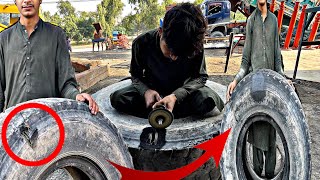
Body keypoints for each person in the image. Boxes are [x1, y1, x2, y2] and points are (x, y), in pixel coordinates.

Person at [110, 3, 224, 119]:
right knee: (118, 98)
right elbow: (135, 75)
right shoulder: (141, 43)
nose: (174, 58)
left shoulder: (193, 44)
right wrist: (145, 91)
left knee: (207, 100)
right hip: (153, 89)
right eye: (169, 49)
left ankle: (167, 109)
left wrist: (176, 96)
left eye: (180, 54)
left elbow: (200, 77)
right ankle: (160, 109)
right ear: (160, 32)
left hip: (184, 90)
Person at [0, 0, 98, 114]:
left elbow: (66, 83)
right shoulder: (4, 39)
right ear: (15, 1)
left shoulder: (56, 35)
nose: (26, 1)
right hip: (14, 122)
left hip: (49, 120)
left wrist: (76, 95)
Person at [226, 0, 285, 178]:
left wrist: (283, 79)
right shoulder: (251, 21)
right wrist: (236, 80)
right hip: (256, 82)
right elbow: (246, 59)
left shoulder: (274, 20)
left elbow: (277, 54)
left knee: (271, 128)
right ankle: (257, 172)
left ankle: (270, 173)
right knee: (257, 126)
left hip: (272, 82)